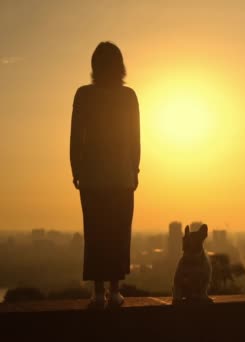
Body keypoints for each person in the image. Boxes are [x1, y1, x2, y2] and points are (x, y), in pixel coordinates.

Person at [70, 42, 140, 308]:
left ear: (94, 66)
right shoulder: (128, 96)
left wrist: (76, 168)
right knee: (118, 233)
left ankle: (98, 292)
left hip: (92, 176)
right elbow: (135, 138)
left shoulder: (84, 95)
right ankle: (114, 290)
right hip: (121, 176)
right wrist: (135, 169)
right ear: (120, 66)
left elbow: (76, 136)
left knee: (96, 232)